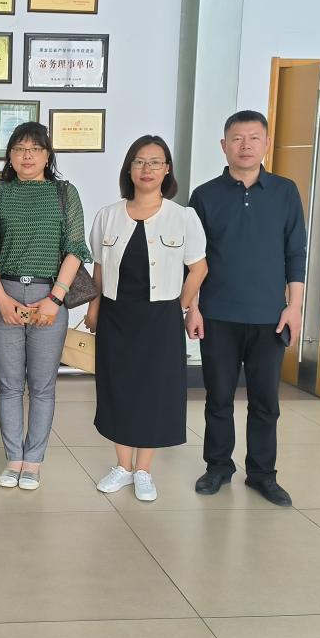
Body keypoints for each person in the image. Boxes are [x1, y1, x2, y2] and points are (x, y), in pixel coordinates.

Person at [187, 110, 306, 507]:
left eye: (254, 138)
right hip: (217, 314)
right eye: (237, 138)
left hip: (270, 317)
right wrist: (193, 308)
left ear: (266, 144)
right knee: (218, 397)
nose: (245, 145)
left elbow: (295, 253)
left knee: (265, 401)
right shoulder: (205, 196)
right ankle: (218, 466)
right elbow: (193, 259)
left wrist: (294, 307)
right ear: (224, 145)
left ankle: (262, 474)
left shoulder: (286, 192)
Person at [85, 136, 208, 502]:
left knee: (154, 390)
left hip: (160, 318)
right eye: (139, 162)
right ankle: (123, 466)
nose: (147, 169)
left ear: (167, 169)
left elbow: (199, 268)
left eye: (155, 162)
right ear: (129, 169)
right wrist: (93, 307)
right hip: (116, 314)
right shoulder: (108, 215)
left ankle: (143, 471)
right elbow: (99, 268)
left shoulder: (182, 216)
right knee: (118, 388)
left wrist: (180, 305)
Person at [0, 122, 92, 491]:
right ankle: (13, 458)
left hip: (50, 295)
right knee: (8, 385)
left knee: (43, 386)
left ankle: (33, 461)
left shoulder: (64, 192)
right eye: (19, 148)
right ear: (10, 156)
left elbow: (75, 248)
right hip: (6, 295)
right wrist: (1, 299)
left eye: (35, 148)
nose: (27, 155)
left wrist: (55, 299)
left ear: (48, 155)